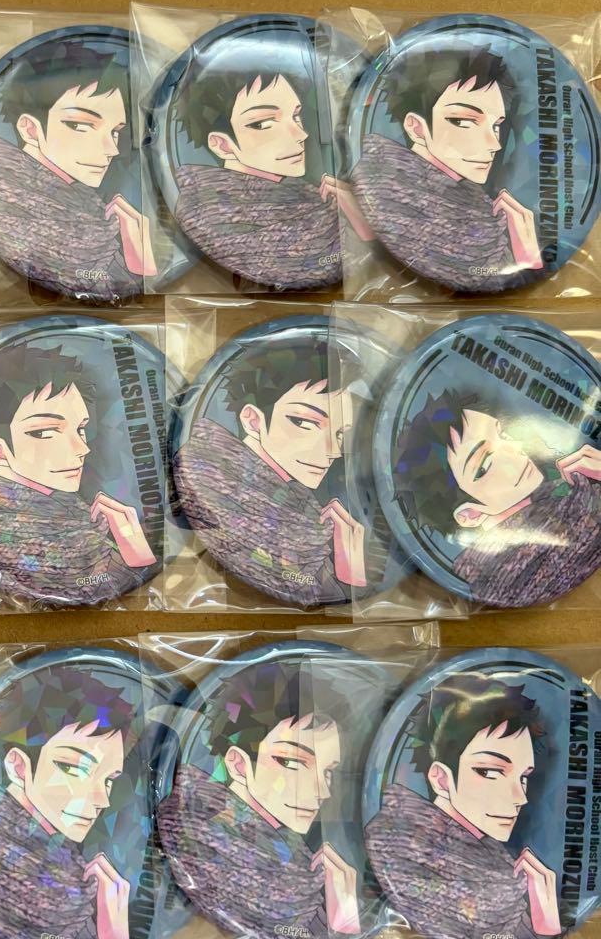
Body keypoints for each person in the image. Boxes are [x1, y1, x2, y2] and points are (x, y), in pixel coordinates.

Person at [0, 342, 157, 605]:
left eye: (80, 429)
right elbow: (84, 590)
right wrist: (136, 555)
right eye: (45, 432)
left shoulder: (64, 513)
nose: (82, 448)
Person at [156, 660, 360, 939]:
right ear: (238, 764)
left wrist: (342, 915)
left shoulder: (290, 854)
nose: (322, 790)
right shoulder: (205, 845)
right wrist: (342, 919)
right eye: (293, 762)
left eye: (328, 771)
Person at [0, 667, 138, 939]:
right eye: (75, 768)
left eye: (108, 779)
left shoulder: (63, 870)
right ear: (19, 766)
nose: (102, 799)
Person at [365, 673, 560, 939]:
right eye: (490, 771)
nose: (520, 797)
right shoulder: (401, 852)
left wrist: (544, 921)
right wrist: (543, 925)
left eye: (523, 777)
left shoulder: (493, 859)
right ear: (441, 779)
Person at [173, 336, 368, 606]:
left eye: (339, 433)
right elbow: (298, 585)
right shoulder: (212, 488)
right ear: (253, 420)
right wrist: (349, 578)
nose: (333, 450)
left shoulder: (299, 506)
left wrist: (349, 573)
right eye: (306, 423)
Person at [0, 39, 155, 297]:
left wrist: (139, 259)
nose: (112, 149)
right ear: (30, 129)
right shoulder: (0, 198)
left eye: (115, 132)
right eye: (81, 125)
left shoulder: (84, 205)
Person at [351, 48, 542, 290]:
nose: (494, 144)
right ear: (416, 127)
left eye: (495, 125)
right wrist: (528, 260)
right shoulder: (392, 202)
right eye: (464, 121)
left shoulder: (479, 208)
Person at [393, 390, 601, 606]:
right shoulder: (502, 577)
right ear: (470, 514)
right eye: (484, 465)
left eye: (503, 434)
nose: (516, 449)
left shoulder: (568, 494)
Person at [174, 68, 372, 289]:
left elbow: (353, 261)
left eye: (295, 116)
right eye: (263, 124)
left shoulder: (310, 196)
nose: (301, 134)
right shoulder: (208, 212)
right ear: (222, 144)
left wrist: (359, 220)